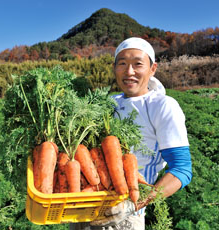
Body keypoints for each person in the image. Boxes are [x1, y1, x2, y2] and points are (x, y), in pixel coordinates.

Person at [69, 37, 192, 230]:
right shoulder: (107, 103)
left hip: (125, 216)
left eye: (138, 64)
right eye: (123, 64)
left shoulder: (163, 106)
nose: (129, 72)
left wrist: (135, 203)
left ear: (153, 69)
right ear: (114, 67)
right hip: (86, 207)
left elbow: (182, 169)